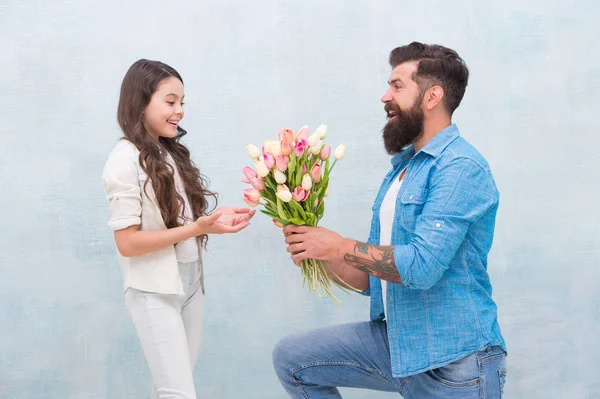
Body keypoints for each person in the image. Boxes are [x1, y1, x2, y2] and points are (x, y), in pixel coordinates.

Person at [273, 42, 507, 398]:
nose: (386, 96)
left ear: (432, 96)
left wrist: (338, 245)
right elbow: (373, 280)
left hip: (455, 363)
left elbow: (421, 268)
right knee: (293, 359)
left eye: (397, 86)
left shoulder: (460, 168)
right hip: (399, 344)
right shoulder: (403, 170)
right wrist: (321, 253)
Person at [102, 59, 255, 399]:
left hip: (190, 285)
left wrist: (211, 223)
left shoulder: (167, 152)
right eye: (170, 101)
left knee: (169, 390)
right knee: (178, 392)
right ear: (140, 102)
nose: (180, 110)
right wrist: (194, 229)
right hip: (153, 291)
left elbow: (184, 222)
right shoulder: (123, 159)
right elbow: (127, 243)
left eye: (182, 102)